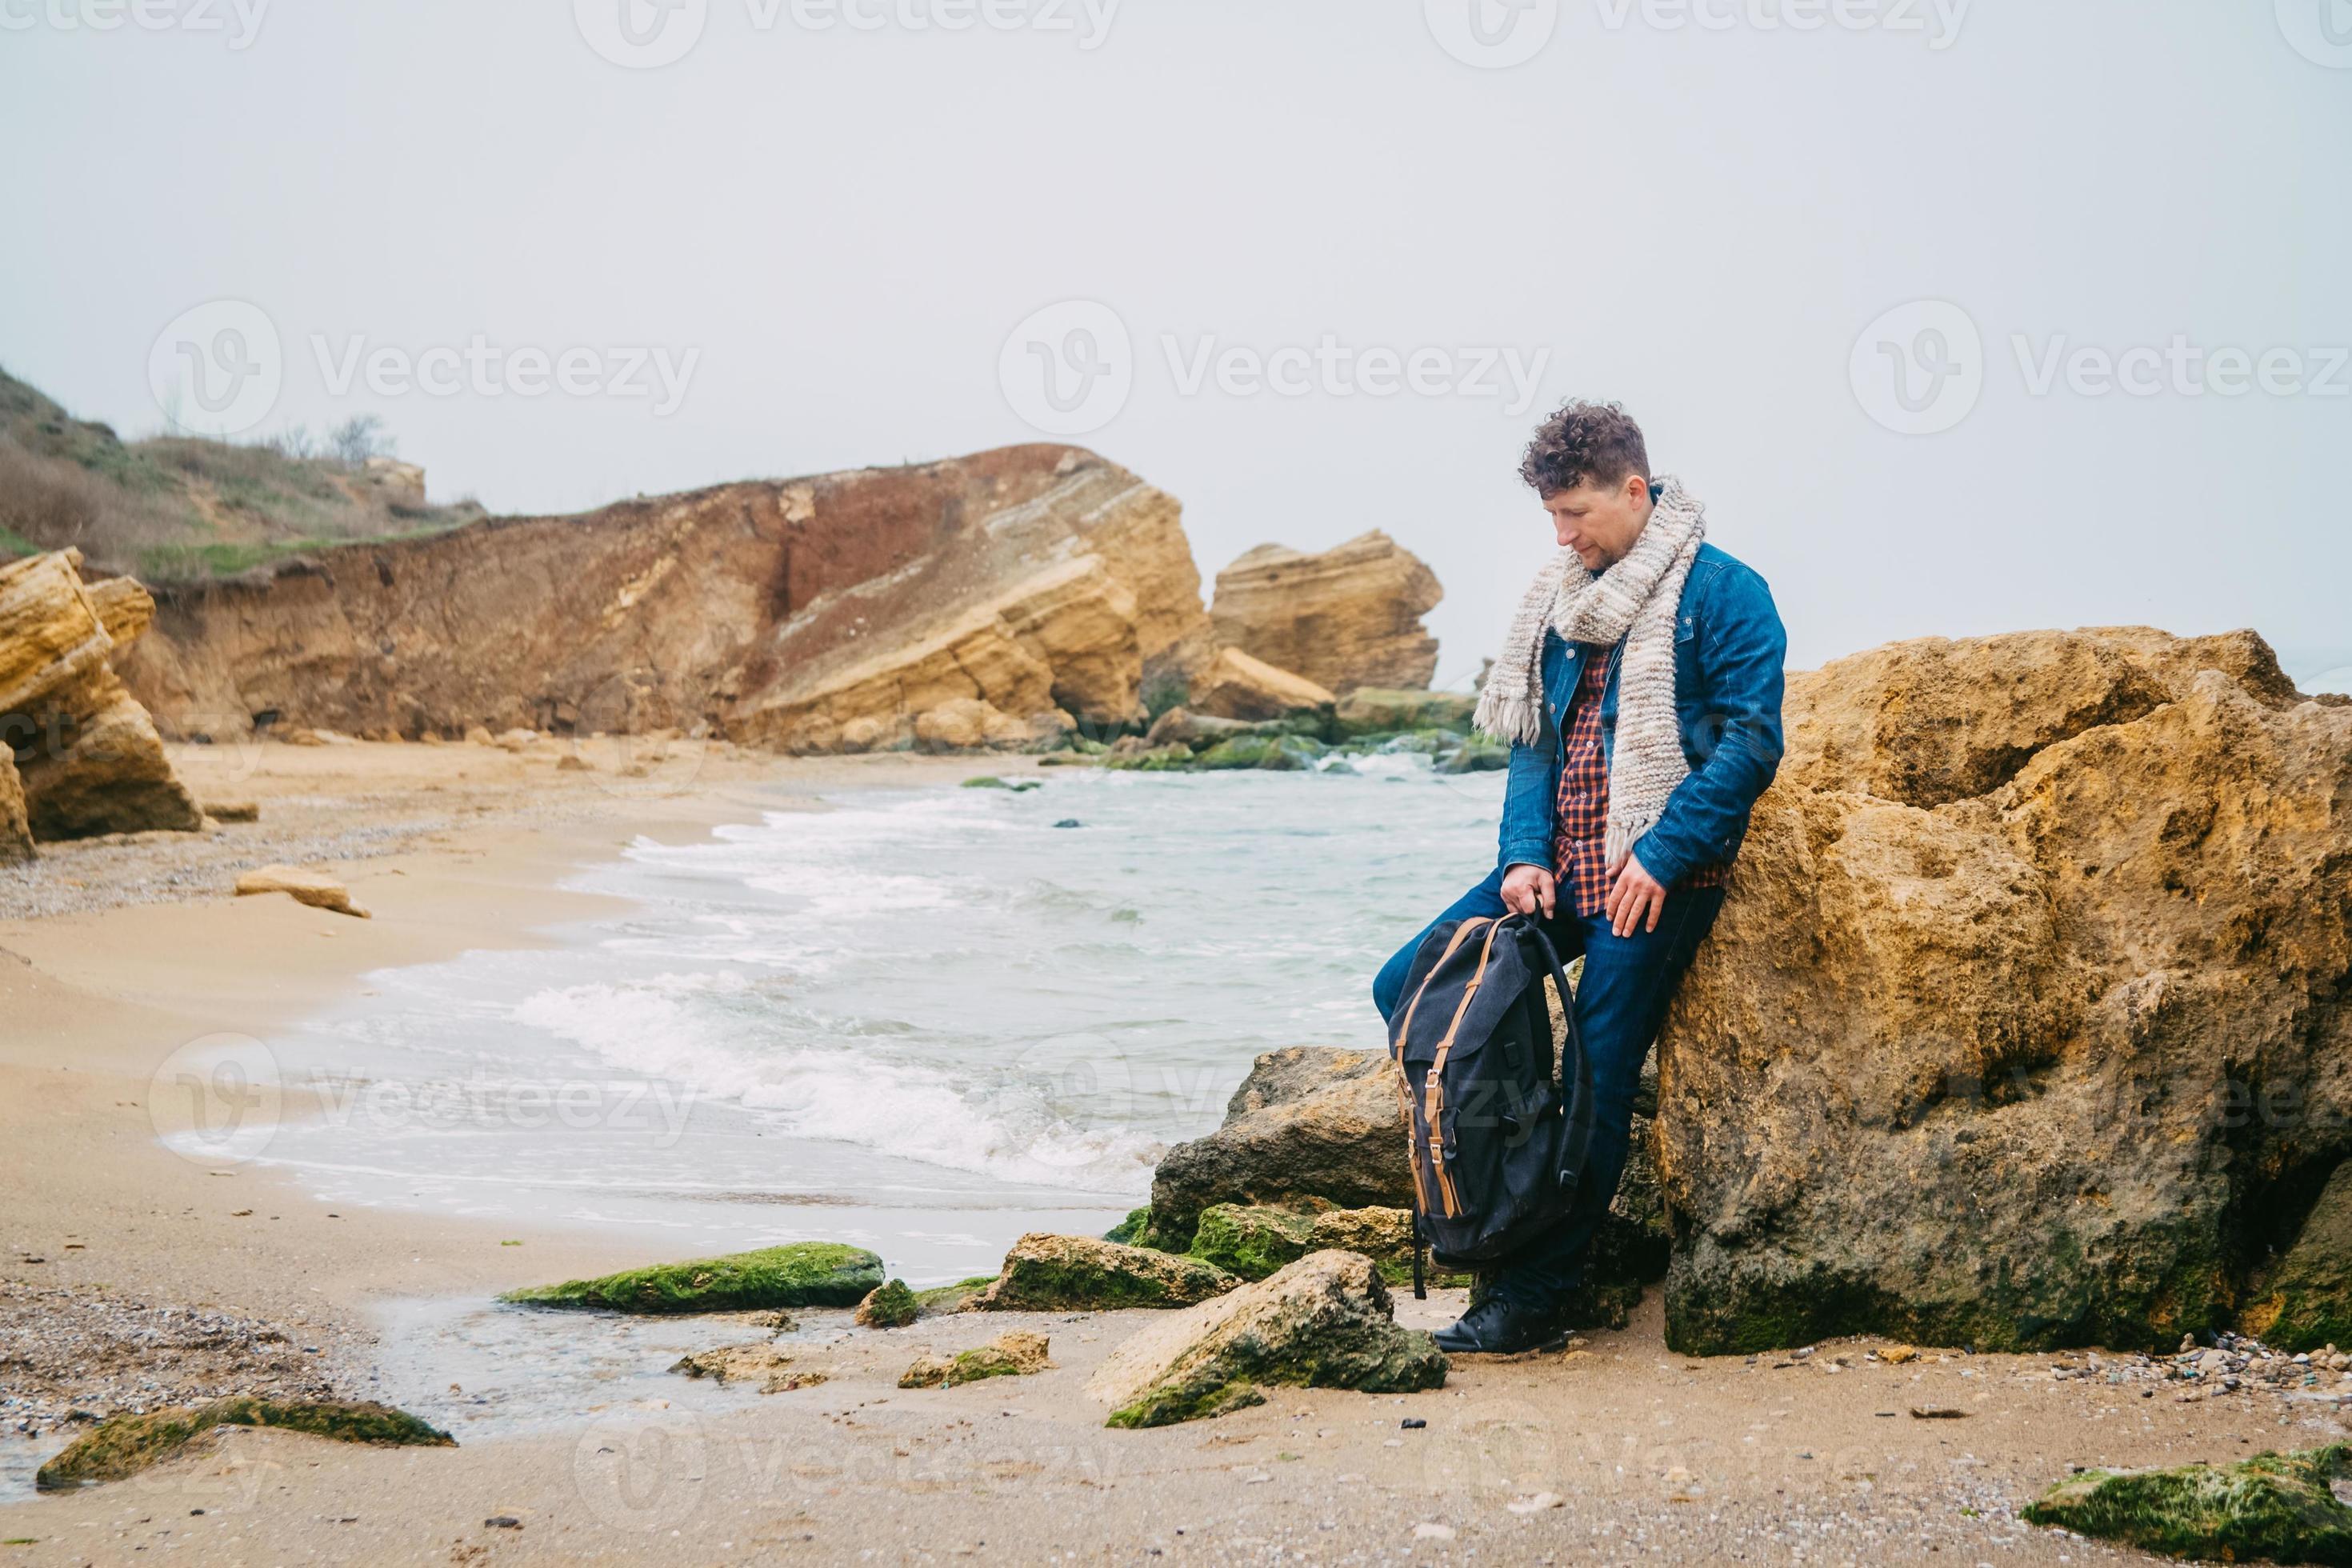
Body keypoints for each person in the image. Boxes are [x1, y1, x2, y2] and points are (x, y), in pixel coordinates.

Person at [1373, 400, 1787, 1354]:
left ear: (1634, 492)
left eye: (1577, 515)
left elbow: (1749, 745)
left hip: (1657, 876)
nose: (1562, 537)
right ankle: (1499, 1205)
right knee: (1407, 985)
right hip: (1555, 868)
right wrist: (1523, 853)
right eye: (1552, 518)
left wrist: (1665, 851)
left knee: (1596, 1075)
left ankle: (1534, 1296)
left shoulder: (1726, 593)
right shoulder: (1564, 602)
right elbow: (1532, 744)